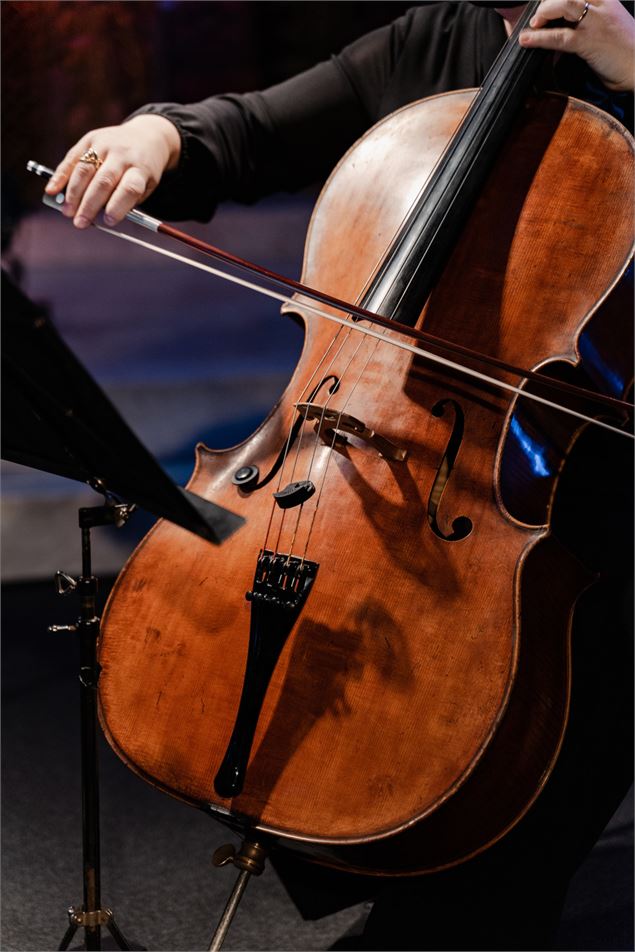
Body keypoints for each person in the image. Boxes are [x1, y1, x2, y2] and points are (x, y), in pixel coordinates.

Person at [44, 3, 634, 949]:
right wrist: (156, 135)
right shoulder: (434, 41)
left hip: (579, 488)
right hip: (387, 454)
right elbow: (253, 129)